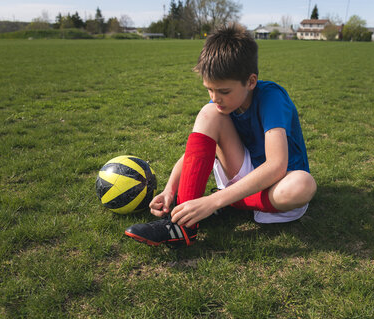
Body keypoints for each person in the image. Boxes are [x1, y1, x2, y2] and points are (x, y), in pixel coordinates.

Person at [125, 24, 317, 247]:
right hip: (242, 174)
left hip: (278, 184)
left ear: (251, 81)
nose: (215, 97)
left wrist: (213, 201)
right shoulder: (219, 106)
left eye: (224, 91)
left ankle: (223, 203)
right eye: (209, 89)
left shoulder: (271, 98)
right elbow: (194, 153)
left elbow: (276, 166)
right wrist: (170, 190)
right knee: (209, 114)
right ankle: (182, 226)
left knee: (303, 184)